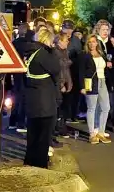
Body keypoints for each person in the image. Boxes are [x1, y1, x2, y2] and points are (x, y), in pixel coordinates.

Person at [21, 27, 62, 167]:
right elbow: (56, 68)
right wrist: (53, 51)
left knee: (32, 134)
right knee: (43, 136)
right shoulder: (43, 54)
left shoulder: (29, 52)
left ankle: (29, 160)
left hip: (32, 99)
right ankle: (40, 164)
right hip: (45, 102)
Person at [78, 34, 112, 144]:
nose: (92, 44)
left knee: (105, 107)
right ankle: (92, 134)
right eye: (90, 42)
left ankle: (101, 132)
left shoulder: (101, 53)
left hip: (102, 81)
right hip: (91, 82)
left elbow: (105, 68)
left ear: (97, 42)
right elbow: (81, 71)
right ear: (87, 43)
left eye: (94, 41)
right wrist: (82, 86)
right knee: (91, 108)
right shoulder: (84, 55)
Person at [52, 31, 74, 143]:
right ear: (59, 41)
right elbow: (58, 70)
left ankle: (61, 127)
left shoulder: (65, 52)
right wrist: (61, 84)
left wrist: (69, 82)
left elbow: (66, 69)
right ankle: (58, 128)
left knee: (63, 107)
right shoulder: (56, 53)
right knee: (58, 107)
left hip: (66, 81)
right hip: (60, 84)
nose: (68, 42)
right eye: (66, 40)